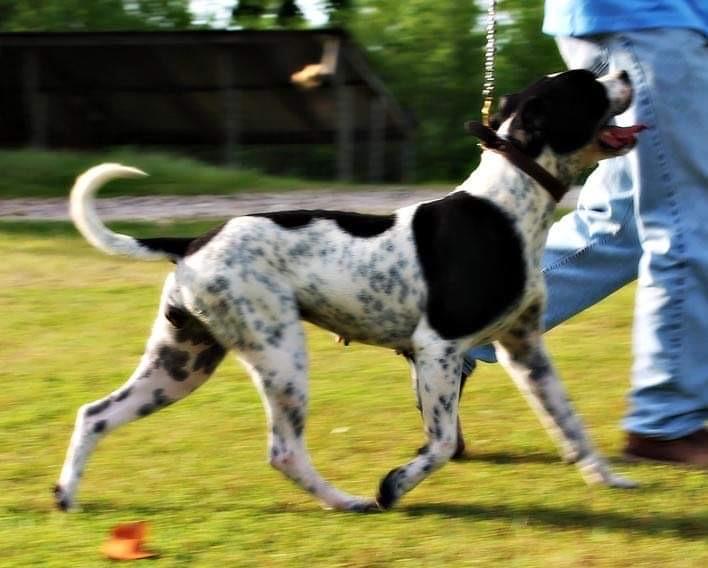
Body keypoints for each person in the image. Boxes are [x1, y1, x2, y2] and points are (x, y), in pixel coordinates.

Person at [462, 0, 708, 466]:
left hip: (625, 19)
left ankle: (468, 326)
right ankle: (666, 422)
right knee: (684, 218)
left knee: (621, 223)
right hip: (651, 16)